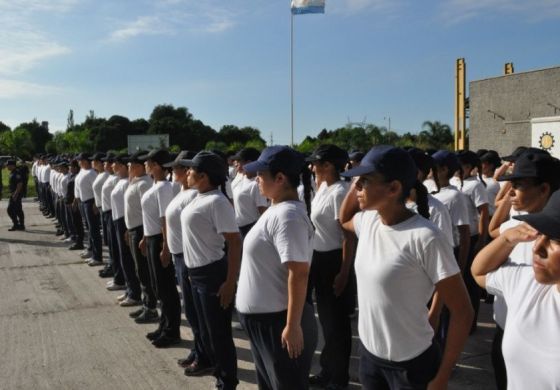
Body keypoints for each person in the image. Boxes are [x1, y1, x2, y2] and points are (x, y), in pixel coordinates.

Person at [339, 145, 473, 390]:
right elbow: (344, 218)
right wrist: (357, 177)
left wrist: (442, 376)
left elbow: (463, 312)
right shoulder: (369, 220)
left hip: (412, 365)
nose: (357, 187)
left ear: (393, 188)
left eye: (365, 181)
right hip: (370, 357)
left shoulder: (425, 237)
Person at [236, 146, 318, 390]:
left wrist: (292, 326)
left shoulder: (288, 216)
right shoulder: (277, 210)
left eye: (261, 174)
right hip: (265, 322)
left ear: (280, 178)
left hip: (278, 323)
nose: (256, 179)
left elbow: (299, 272)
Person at [471, 189, 560, 390]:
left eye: (555, 239)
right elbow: (479, 272)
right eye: (541, 234)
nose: (537, 248)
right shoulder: (527, 283)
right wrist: (506, 240)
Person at [181, 151, 242, 390]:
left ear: (204, 176)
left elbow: (234, 242)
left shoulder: (217, 202)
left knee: (219, 333)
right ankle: (215, 368)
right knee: (205, 331)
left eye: (191, 170)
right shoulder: (198, 196)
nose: (187, 173)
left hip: (212, 274)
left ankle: (227, 381)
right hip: (195, 273)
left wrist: (230, 282)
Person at [305, 144, 354, 390]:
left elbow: (348, 237)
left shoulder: (340, 192)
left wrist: (344, 272)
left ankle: (338, 378)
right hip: (320, 259)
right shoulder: (323, 187)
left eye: (316, 163)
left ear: (329, 166)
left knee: (336, 324)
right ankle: (328, 369)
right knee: (326, 322)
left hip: (335, 260)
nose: (312, 167)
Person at [162, 151, 213, 374]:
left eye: (178, 168)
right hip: (180, 256)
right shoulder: (182, 192)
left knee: (196, 312)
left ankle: (205, 356)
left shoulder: (194, 195)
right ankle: (198, 349)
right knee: (191, 311)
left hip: (189, 257)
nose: (174, 171)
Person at [138, 149, 182, 348]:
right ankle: (163, 325)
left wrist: (165, 246)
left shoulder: (164, 187)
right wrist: (145, 238)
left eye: (147, 162)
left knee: (166, 288)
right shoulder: (156, 185)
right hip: (152, 237)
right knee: (158, 286)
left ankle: (171, 331)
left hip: (160, 239)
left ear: (156, 165)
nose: (145, 165)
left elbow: (165, 218)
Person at [124, 150, 157, 313]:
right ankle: (146, 302)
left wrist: (144, 236)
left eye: (130, 165)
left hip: (140, 229)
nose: (128, 167)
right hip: (132, 229)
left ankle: (150, 306)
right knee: (139, 269)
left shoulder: (144, 183)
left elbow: (148, 212)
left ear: (136, 166)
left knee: (143, 271)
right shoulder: (136, 181)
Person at [230, 147, 269, 238]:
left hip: (250, 229)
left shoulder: (256, 184)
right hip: (237, 227)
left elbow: (263, 211)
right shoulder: (240, 176)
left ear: (250, 162)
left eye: (239, 161)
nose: (235, 164)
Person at [6, 160, 25, 231]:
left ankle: (16, 224)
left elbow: (20, 184)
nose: (7, 166)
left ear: (13, 165)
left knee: (10, 210)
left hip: (16, 194)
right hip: (14, 193)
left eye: (8, 165)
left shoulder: (17, 173)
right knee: (18, 209)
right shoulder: (12, 172)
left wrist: (15, 194)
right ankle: (21, 225)